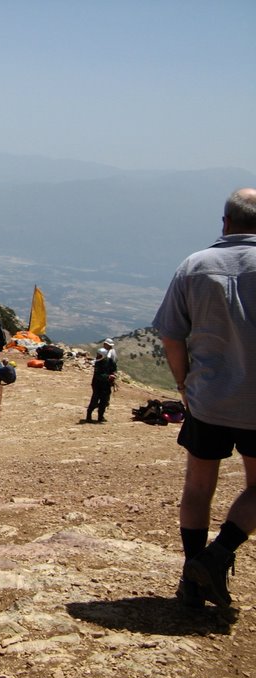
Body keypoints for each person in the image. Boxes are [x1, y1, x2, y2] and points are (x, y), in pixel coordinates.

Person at [152, 187, 256, 609]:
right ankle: (217, 557)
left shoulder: (194, 266)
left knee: (197, 486)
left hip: (207, 398)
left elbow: (171, 334)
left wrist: (183, 386)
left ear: (225, 222)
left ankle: (192, 576)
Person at [85, 348, 117, 423]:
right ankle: (89, 415)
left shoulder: (110, 361)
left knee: (104, 401)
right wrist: (108, 377)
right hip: (97, 384)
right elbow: (98, 375)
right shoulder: (97, 363)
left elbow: (114, 369)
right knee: (95, 400)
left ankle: (100, 416)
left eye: (99, 355)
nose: (97, 357)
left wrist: (113, 374)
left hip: (106, 385)